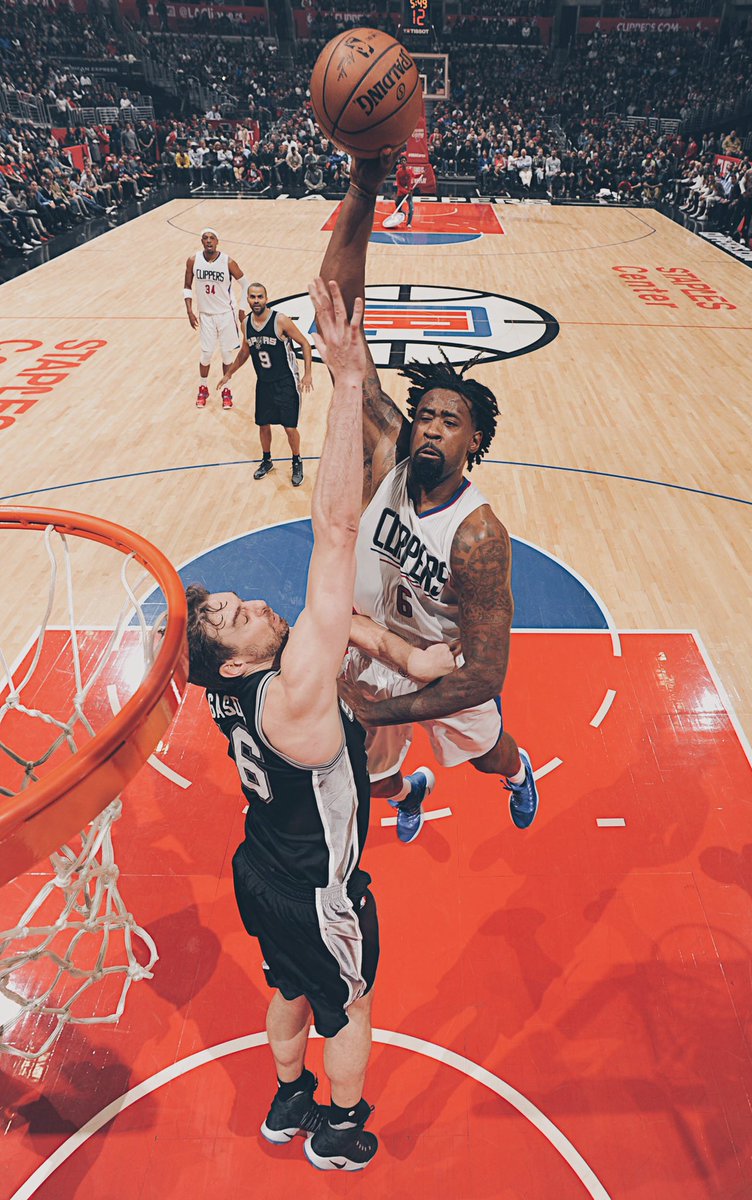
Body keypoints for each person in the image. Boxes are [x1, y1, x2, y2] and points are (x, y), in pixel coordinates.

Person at [186, 279, 455, 1170]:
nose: (251, 603)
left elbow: (326, 628)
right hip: (312, 886)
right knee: (349, 1002)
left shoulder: (230, 688)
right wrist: (345, 386)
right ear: (233, 658)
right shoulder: (291, 686)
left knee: (288, 989)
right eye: (231, 615)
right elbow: (337, 532)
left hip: (256, 869)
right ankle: (338, 1128)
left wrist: (407, 657)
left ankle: (287, 1098)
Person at [320, 150, 540, 844]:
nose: (433, 427)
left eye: (451, 422)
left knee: (484, 752)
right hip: (373, 644)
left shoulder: (477, 537)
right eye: (426, 414)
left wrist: (390, 708)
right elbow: (342, 325)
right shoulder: (385, 448)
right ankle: (407, 787)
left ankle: (516, 771)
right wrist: (361, 189)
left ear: (472, 444)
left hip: (442, 668)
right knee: (367, 767)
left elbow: (482, 674)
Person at [218, 282, 313, 486]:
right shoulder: (246, 324)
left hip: (286, 381)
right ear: (249, 300)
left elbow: (305, 343)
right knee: (263, 424)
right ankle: (267, 460)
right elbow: (245, 352)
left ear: (266, 298)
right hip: (264, 383)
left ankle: (297, 461)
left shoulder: (280, 321)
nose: (256, 300)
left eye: (260, 297)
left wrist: (308, 374)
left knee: (289, 428)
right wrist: (229, 374)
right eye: (252, 297)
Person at [183, 228, 248, 409]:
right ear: (201, 241)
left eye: (212, 238)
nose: (209, 241)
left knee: (227, 355)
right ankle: (203, 388)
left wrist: (242, 309)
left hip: (226, 315)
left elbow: (246, 284)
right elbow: (187, 286)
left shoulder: (228, 262)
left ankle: (227, 390)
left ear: (217, 241)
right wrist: (189, 310)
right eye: (205, 238)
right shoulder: (193, 261)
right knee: (206, 354)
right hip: (206, 316)